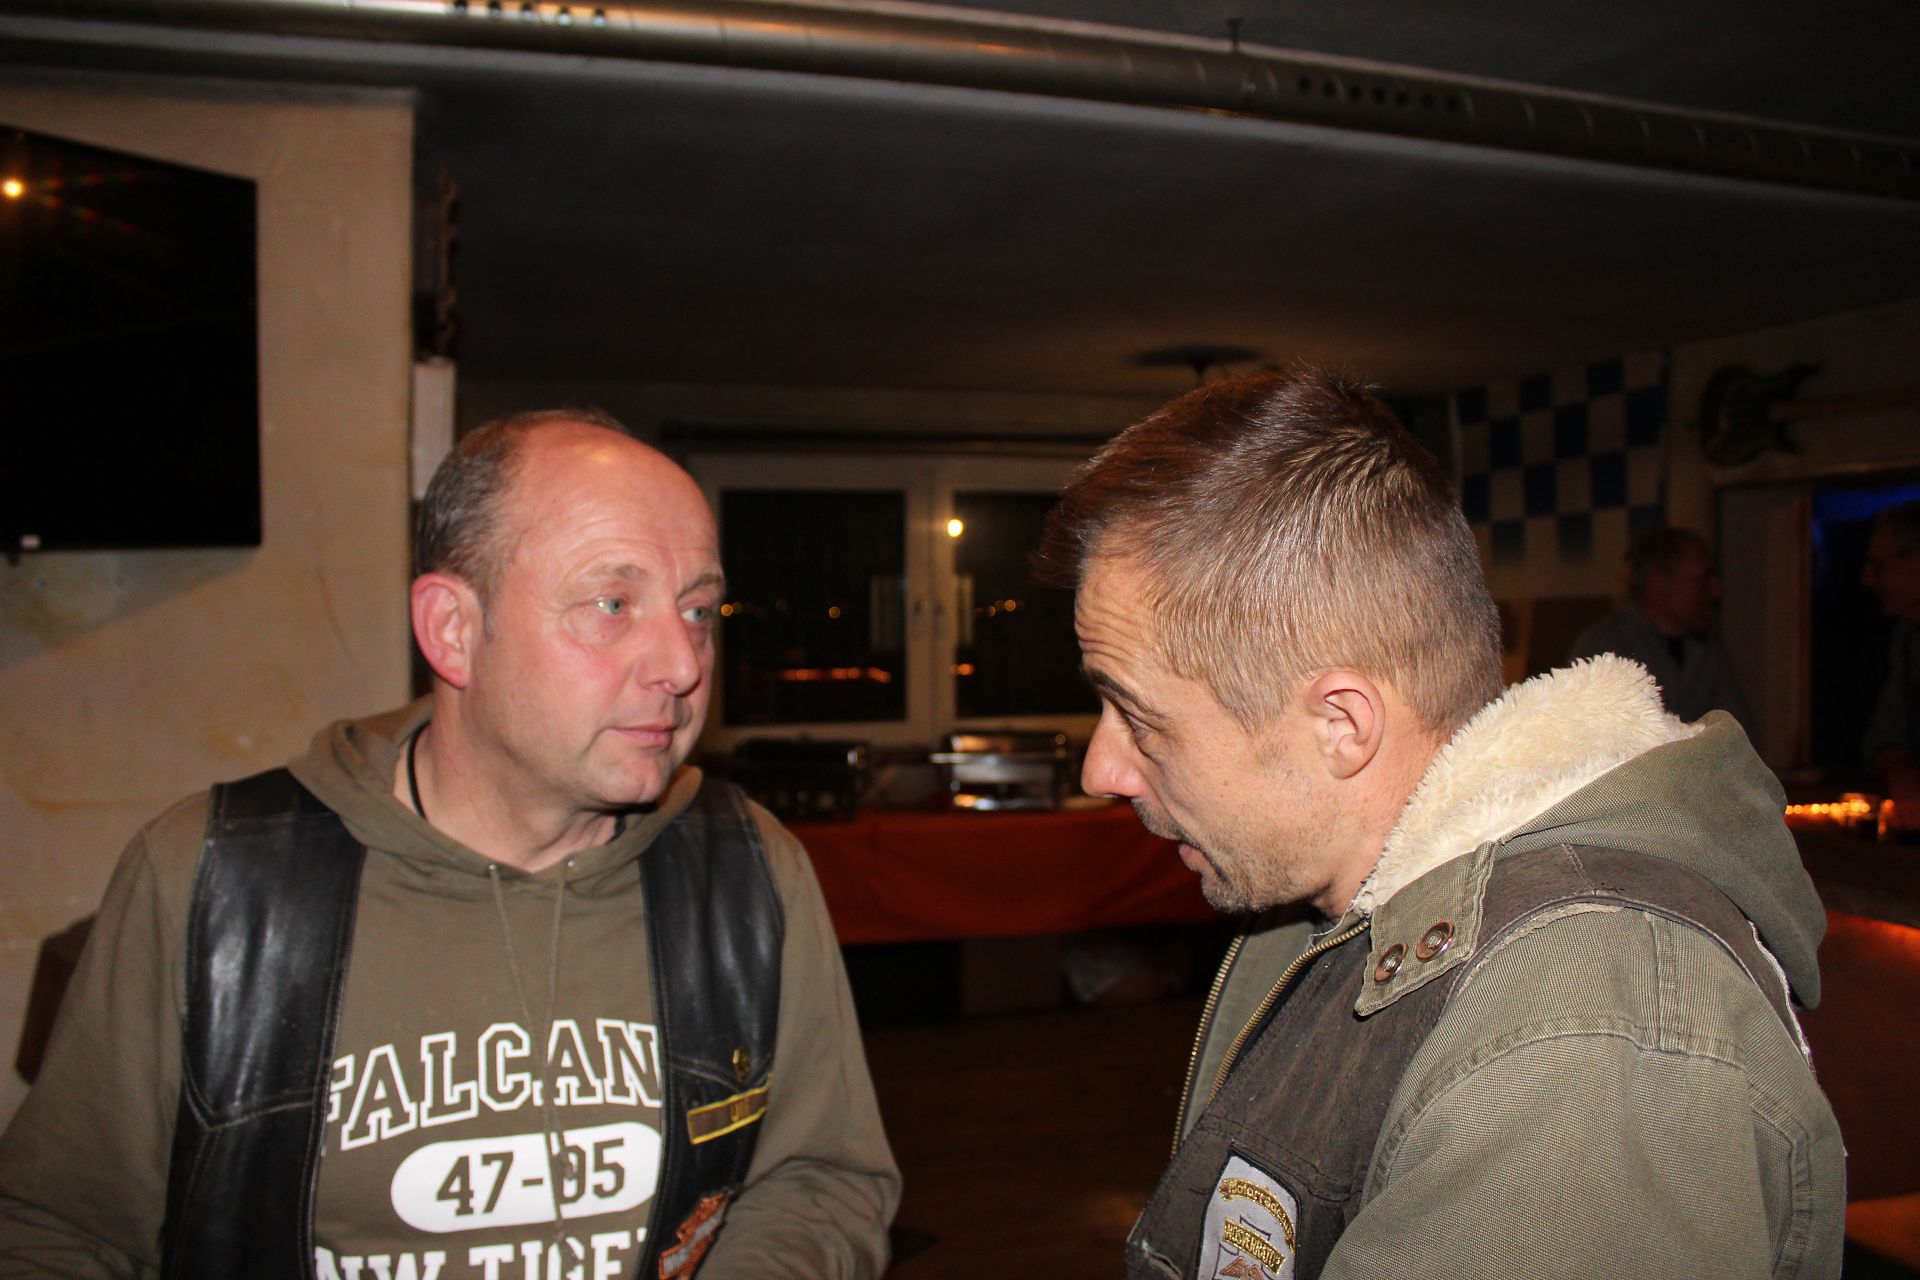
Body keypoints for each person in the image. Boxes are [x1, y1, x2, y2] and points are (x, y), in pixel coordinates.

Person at [0, 410, 899, 1278]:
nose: (683, 663)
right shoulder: (211, 880)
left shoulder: (748, 871)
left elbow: (819, 1182)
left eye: (698, 610)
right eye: (612, 603)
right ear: (453, 630)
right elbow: (59, 1229)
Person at [1038, 370, 1841, 1278]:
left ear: (1341, 725)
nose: (1102, 770)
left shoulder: (1586, 1035)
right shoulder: (1335, 905)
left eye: (1138, 717)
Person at [1566, 526, 1754, 726]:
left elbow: (1737, 728)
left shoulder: (1707, 649)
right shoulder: (1604, 647)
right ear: (1658, 583)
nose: (1716, 591)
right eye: (1703, 579)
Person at [1861, 498, 1920, 832]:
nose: (1868, 579)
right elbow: (1885, 731)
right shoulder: (1906, 640)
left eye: (1878, 565)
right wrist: (1900, 772)